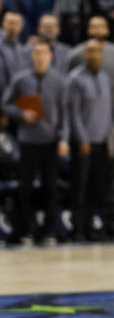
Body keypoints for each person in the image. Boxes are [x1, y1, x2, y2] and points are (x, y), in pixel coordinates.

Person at [1, 40, 69, 244]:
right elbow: (5, 104)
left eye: (44, 53)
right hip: (28, 141)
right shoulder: (21, 79)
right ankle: (27, 230)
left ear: (50, 56)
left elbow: (66, 113)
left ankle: (49, 231)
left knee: (50, 187)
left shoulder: (59, 81)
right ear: (32, 56)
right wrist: (21, 113)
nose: (40, 57)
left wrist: (64, 138)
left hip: (50, 141)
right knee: (25, 187)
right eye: (36, 53)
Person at [67, 40, 114, 241]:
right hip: (83, 142)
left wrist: (110, 137)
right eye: (90, 52)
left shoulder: (105, 77)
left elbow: (109, 111)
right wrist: (82, 138)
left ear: (102, 54)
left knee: (99, 187)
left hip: (102, 141)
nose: (94, 55)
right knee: (80, 187)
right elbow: (73, 112)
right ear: (85, 54)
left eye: (97, 52)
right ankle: (79, 229)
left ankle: (96, 227)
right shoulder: (75, 78)